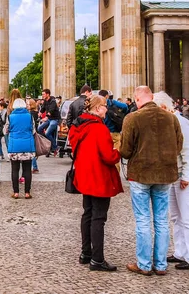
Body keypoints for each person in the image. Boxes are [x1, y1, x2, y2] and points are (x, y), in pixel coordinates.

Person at [119, 86, 183, 276]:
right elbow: (178, 145)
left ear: (137, 99)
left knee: (143, 220)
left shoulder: (132, 118)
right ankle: (161, 265)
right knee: (162, 220)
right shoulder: (170, 118)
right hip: (164, 174)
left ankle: (145, 264)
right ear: (152, 97)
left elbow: (125, 150)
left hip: (140, 174)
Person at [68, 95, 122, 272]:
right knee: (99, 218)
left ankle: (86, 253)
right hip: (98, 177)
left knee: (88, 214)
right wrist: (118, 152)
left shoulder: (78, 126)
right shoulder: (99, 129)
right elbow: (108, 156)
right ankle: (97, 259)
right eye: (105, 106)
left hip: (84, 175)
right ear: (98, 108)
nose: (107, 109)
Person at [152, 92, 189, 270]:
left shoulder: (182, 123)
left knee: (188, 216)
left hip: (186, 174)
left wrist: (187, 177)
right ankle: (181, 252)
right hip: (176, 174)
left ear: (165, 108)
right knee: (176, 216)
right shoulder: (170, 122)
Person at [6, 98, 35, 199]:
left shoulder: (10, 117)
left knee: (15, 170)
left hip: (14, 147)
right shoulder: (30, 116)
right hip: (28, 146)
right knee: (27, 170)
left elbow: (5, 130)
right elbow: (34, 130)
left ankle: (16, 192)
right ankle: (27, 192)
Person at [38, 89, 60, 154]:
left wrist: (46, 117)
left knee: (47, 133)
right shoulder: (45, 101)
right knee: (39, 128)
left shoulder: (53, 101)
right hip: (49, 119)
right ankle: (47, 142)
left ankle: (55, 147)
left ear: (48, 94)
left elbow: (51, 111)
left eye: (43, 94)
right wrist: (39, 113)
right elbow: (42, 109)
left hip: (55, 119)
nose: (42, 96)